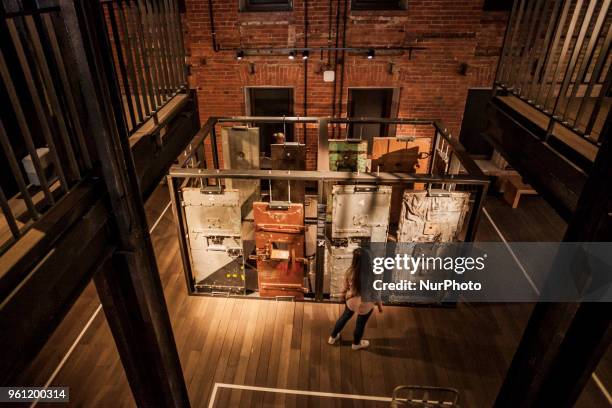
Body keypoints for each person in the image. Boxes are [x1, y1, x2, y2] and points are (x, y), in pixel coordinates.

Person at [328, 247, 383, 350]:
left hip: (351, 301)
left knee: (344, 318)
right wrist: (379, 306)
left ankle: (333, 337)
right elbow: (376, 292)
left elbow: (345, 287)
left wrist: (342, 296)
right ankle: (356, 344)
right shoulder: (373, 274)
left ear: (355, 259)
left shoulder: (350, 272)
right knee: (360, 325)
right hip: (365, 305)